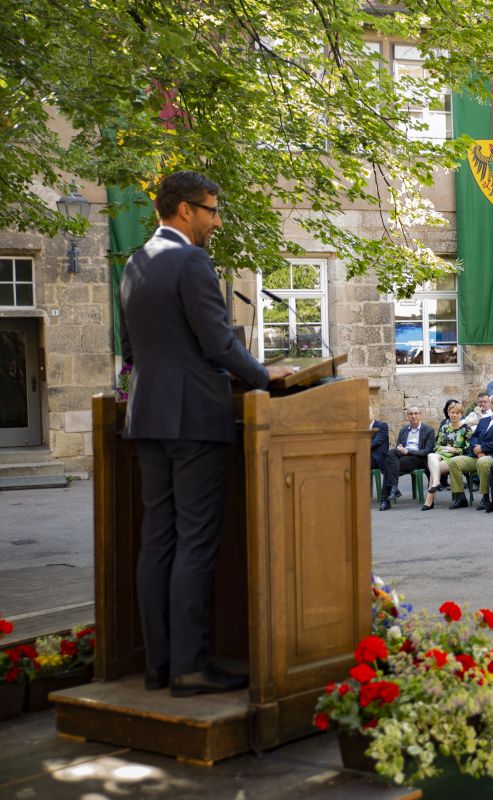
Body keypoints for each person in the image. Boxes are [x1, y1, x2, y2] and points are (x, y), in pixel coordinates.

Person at [119, 170, 293, 696]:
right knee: (195, 541)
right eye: (212, 210)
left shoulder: (134, 263)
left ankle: (159, 665)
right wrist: (264, 375)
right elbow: (218, 343)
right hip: (194, 418)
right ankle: (191, 668)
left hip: (146, 416)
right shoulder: (190, 260)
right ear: (185, 210)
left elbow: (130, 353)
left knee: (157, 541)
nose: (217, 221)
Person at [448, 394, 493, 509]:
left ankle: (485, 497)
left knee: (483, 462)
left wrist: (483, 448)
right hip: (477, 455)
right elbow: (473, 437)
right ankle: (460, 497)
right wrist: (477, 450)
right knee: (454, 462)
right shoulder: (484, 420)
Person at [381, 407, 435, 510]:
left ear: (420, 414)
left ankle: (386, 500)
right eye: (410, 414)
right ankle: (393, 490)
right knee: (392, 453)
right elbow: (398, 446)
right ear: (407, 416)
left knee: (389, 464)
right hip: (403, 457)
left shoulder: (429, 430)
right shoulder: (403, 430)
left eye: (416, 413)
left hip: (418, 458)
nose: (413, 416)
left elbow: (427, 451)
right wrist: (401, 449)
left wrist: (408, 451)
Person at [423, 402, 471, 510]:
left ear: (461, 414)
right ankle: (436, 483)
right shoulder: (444, 428)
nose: (454, 415)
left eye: (457, 413)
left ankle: (429, 500)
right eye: (452, 412)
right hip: (442, 454)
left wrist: (455, 450)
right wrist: (446, 448)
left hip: (455, 458)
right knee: (431, 455)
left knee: (434, 469)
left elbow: (468, 448)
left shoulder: (465, 429)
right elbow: (436, 446)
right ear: (448, 413)